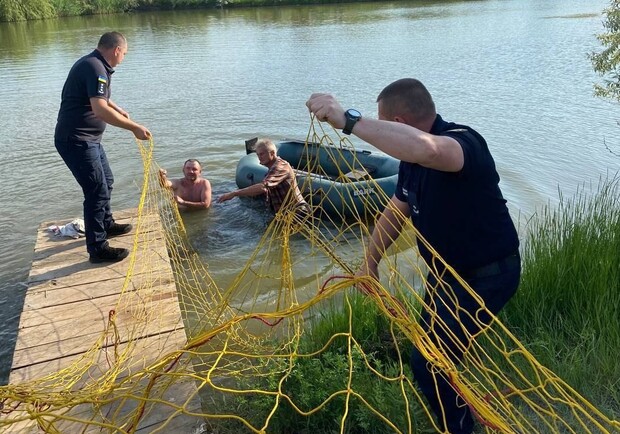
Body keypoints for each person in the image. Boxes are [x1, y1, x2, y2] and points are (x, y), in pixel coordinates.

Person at [306, 78, 521, 434]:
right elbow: (395, 211)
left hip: (487, 276)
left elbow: (432, 151)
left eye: (384, 123)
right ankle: (462, 411)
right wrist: (370, 263)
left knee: (430, 365)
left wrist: (350, 120)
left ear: (400, 123)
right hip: (446, 279)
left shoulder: (464, 142)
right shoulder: (410, 162)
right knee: (434, 353)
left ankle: (463, 428)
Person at [55, 31, 151, 264]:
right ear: (116, 50)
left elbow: (98, 98)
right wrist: (133, 127)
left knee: (106, 181)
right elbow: (98, 109)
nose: (124, 58)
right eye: (124, 53)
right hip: (76, 140)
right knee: (96, 190)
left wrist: (117, 108)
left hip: (88, 139)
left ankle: (106, 224)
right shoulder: (95, 67)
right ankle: (97, 248)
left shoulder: (94, 65)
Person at [217, 138, 310, 219]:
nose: (259, 158)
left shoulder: (280, 166)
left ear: (272, 153)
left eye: (262, 154)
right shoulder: (271, 169)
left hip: (298, 213)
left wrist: (234, 193)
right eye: (257, 155)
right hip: (284, 213)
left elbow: (263, 187)